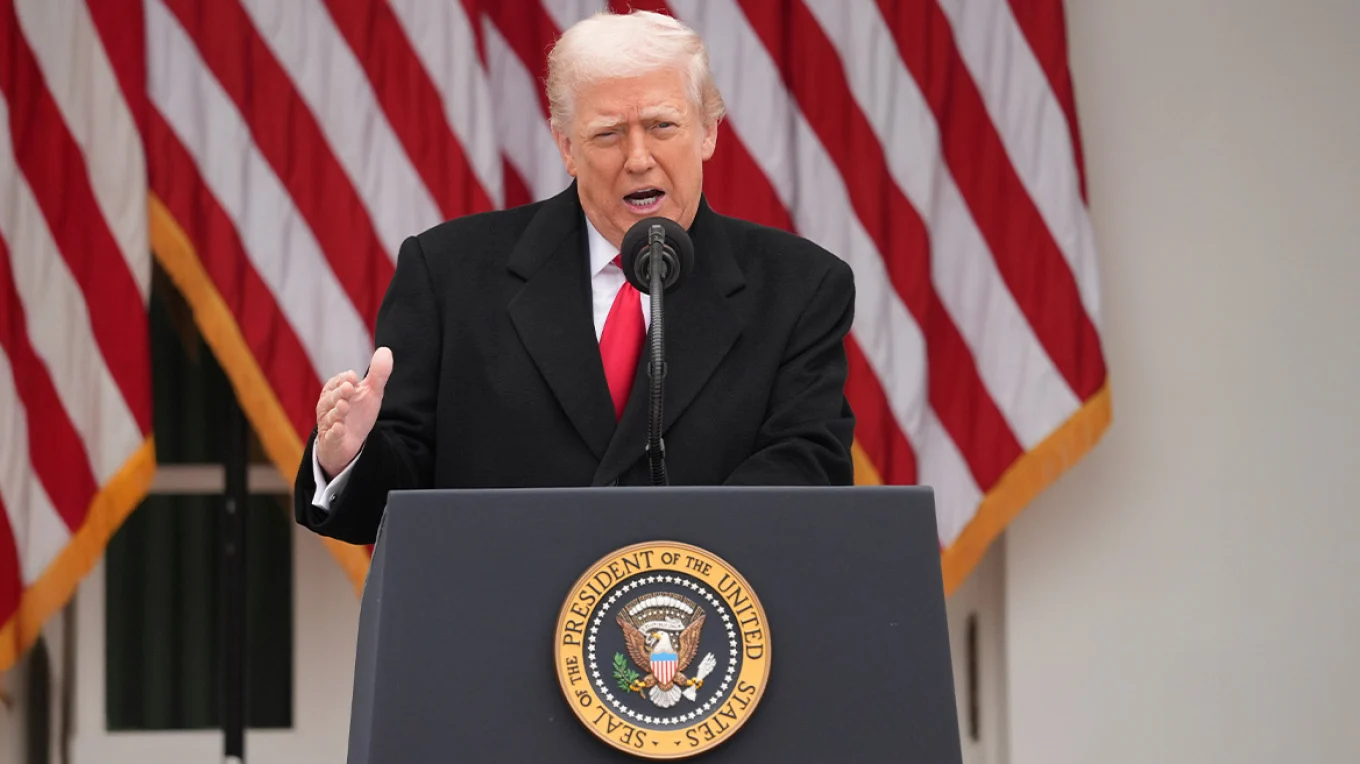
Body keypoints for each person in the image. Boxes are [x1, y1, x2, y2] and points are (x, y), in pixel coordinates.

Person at [293, 10, 856, 546]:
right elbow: (397, 497)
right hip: (502, 610)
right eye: (608, 134)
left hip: (697, 609)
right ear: (567, 146)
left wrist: (667, 557)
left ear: (707, 131)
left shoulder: (800, 287)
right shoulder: (449, 273)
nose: (638, 158)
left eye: (662, 126)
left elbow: (808, 466)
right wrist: (347, 455)